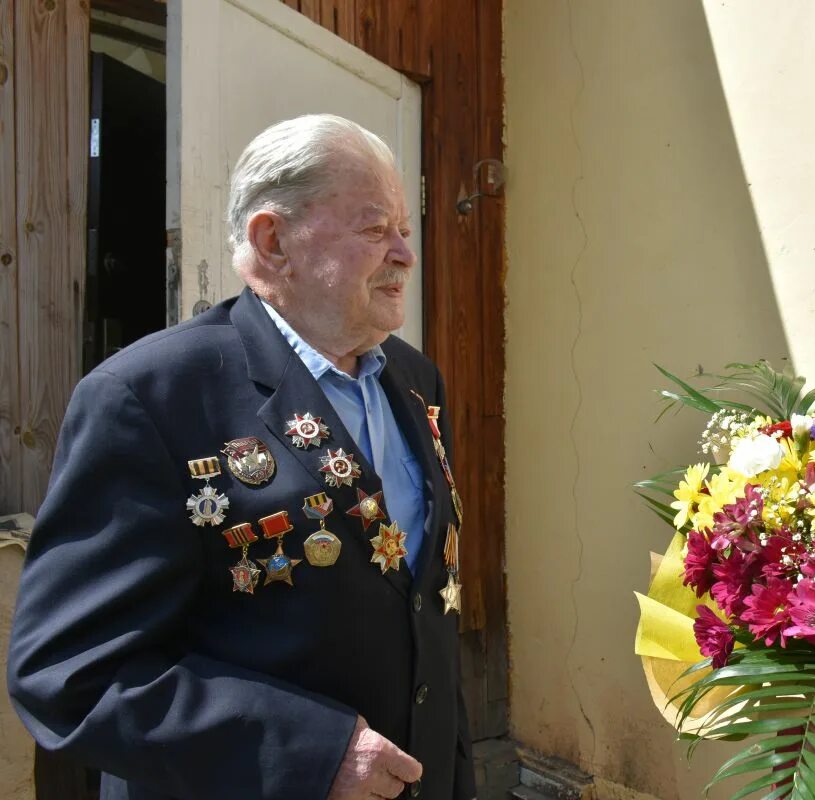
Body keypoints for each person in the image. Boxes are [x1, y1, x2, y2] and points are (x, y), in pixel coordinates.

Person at [7, 115, 474, 800]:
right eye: (375, 230)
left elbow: (422, 613)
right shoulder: (149, 396)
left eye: (405, 229)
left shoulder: (413, 379)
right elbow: (71, 674)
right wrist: (313, 752)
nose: (405, 253)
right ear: (272, 240)